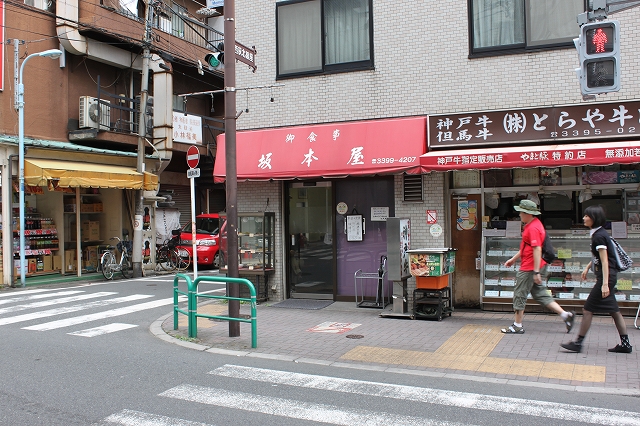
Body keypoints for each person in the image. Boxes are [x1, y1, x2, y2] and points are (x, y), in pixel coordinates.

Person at [561, 206, 633, 354]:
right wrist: (588, 267)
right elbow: (599, 257)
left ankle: (578, 343)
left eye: (586, 216)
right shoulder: (599, 233)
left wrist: (605, 284)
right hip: (609, 277)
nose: (583, 218)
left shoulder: (599, 236)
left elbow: (605, 261)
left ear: (594, 218)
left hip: (606, 278)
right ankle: (626, 344)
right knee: (615, 312)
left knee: (587, 309)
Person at [501, 199, 575, 334]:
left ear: (528, 213)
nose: (519, 215)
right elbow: (527, 247)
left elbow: (537, 249)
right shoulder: (533, 224)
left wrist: (536, 272)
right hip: (535, 265)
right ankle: (566, 315)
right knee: (540, 293)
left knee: (520, 294)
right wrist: (513, 259)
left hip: (530, 267)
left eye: (521, 212)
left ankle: (517, 325)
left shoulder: (533, 228)